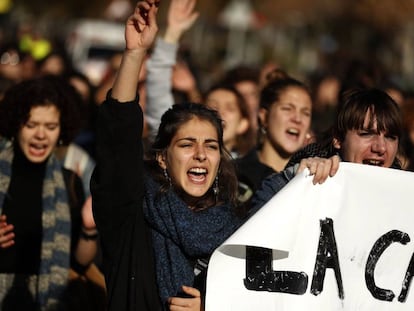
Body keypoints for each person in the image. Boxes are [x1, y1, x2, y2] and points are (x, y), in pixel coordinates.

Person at [90, 2, 256, 310]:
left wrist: (211, 305)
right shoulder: (132, 210)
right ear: (163, 158)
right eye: (186, 144)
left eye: (210, 145)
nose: (200, 154)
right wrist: (135, 54)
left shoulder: (237, 229)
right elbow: (118, 136)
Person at [0, 75, 100, 310]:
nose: (41, 135)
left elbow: (81, 263)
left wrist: (89, 228)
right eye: (31, 125)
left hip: (47, 302)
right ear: (16, 125)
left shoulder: (69, 182)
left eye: (51, 127)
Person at [252, 87, 404, 209]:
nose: (381, 147)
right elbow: (253, 232)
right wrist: (295, 181)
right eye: (366, 134)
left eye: (390, 137)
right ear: (338, 139)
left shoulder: (406, 197)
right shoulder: (308, 178)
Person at [235, 68, 312, 204]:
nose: (298, 119)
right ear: (264, 117)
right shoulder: (234, 174)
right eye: (287, 109)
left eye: (305, 113)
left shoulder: (314, 176)